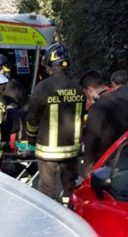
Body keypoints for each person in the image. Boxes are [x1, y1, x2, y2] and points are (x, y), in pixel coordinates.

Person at [25, 43, 85, 201]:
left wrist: (31, 139)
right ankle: (69, 211)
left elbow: (32, 118)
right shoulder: (78, 88)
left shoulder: (43, 87)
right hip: (71, 150)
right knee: (70, 188)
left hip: (47, 151)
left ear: (51, 66)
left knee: (47, 189)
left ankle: (49, 213)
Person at [80, 69, 128, 176]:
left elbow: (92, 140)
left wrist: (87, 166)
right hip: (122, 159)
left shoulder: (98, 107)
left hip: (104, 162)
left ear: (90, 89)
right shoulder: (123, 101)